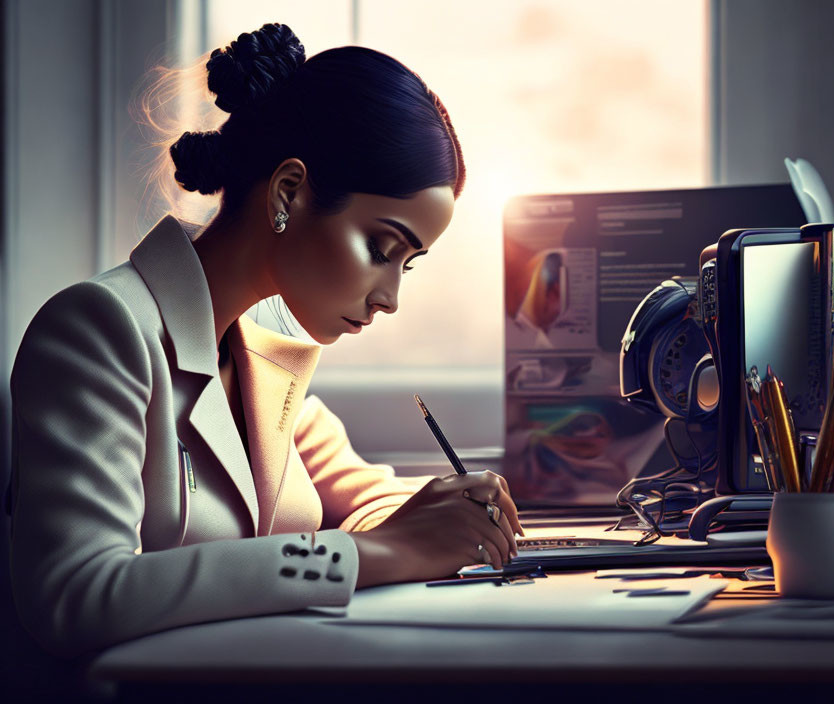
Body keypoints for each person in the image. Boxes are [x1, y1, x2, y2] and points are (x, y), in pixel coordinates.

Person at [7, 22, 523, 659]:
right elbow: (76, 594)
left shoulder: (262, 348)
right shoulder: (100, 330)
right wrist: (382, 552)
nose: (390, 297)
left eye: (405, 265)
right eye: (382, 250)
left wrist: (447, 513)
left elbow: (366, 495)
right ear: (288, 193)